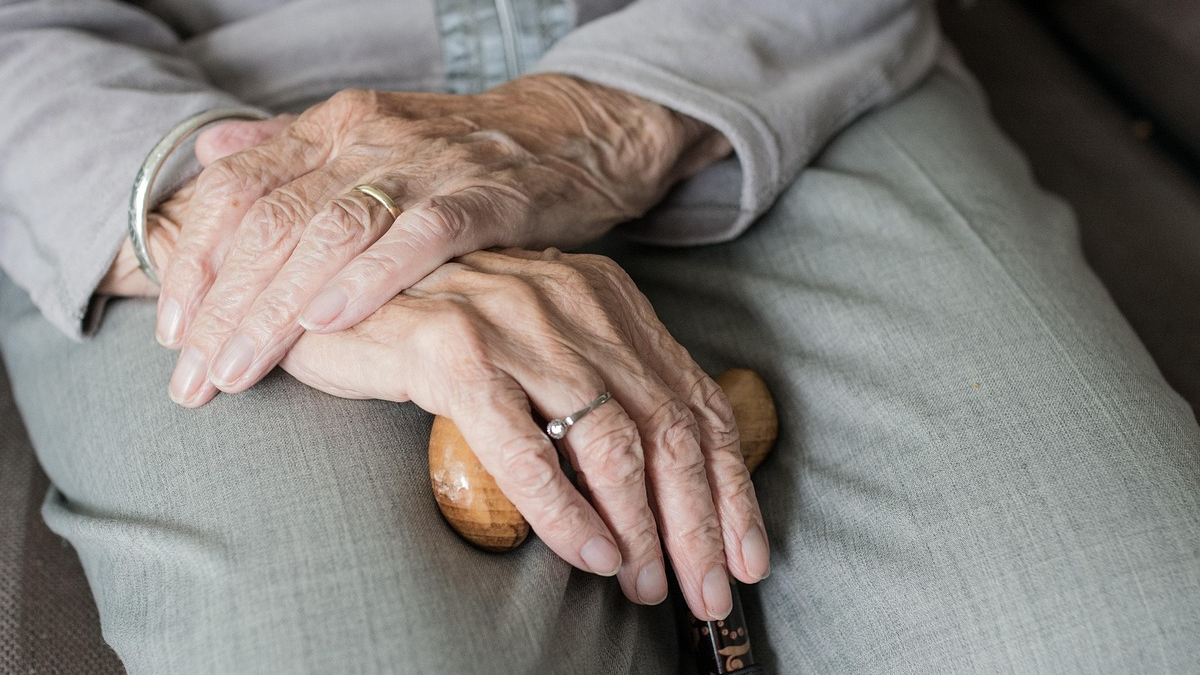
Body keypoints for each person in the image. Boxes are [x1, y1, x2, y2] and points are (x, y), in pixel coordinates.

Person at [2, 0, 1198, 672]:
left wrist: (588, 121)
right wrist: (256, 230)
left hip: (759, 60)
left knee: (1129, 631)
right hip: (196, 123)